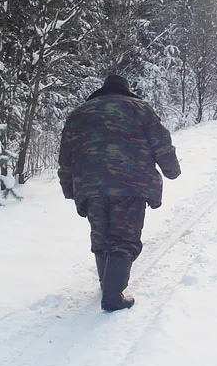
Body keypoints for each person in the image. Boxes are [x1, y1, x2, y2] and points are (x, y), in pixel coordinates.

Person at [58, 74, 181, 311]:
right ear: (126, 89)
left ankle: (107, 283)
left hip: (91, 185)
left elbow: (66, 157)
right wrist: (172, 170)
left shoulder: (79, 114)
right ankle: (113, 297)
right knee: (124, 239)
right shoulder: (140, 109)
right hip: (131, 184)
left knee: (101, 235)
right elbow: (161, 144)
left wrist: (70, 189)